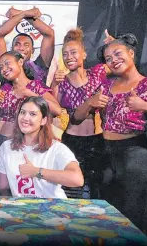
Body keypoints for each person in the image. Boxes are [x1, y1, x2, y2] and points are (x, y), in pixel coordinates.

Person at [73, 33, 147, 230]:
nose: (113, 61)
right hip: (105, 155)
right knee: (101, 217)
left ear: (131, 53)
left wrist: (145, 105)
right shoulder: (106, 86)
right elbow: (77, 117)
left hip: (135, 156)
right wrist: (89, 103)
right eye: (108, 59)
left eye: (118, 54)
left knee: (130, 220)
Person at [51, 28, 110, 199]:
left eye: (73, 52)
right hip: (72, 141)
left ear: (84, 54)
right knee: (72, 191)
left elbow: (120, 64)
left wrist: (112, 46)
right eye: (65, 54)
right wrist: (54, 83)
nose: (69, 57)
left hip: (97, 140)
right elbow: (53, 109)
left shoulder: (98, 74)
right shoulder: (62, 82)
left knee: (97, 190)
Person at [0, 97, 83, 198]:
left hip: (52, 209)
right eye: (22, 112)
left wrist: (37, 172)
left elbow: (77, 179)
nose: (25, 118)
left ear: (43, 120)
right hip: (22, 209)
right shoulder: (6, 147)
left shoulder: (56, 148)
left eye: (32, 114)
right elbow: (3, 187)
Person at [0, 51, 61, 149]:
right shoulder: (4, 88)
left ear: (20, 62)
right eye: (1, 66)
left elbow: (57, 110)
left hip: (20, 142)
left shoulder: (35, 86)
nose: (4, 69)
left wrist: (30, 94)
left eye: (7, 63)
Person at [0, 7, 55, 83]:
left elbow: (49, 34)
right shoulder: (4, 67)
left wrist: (22, 14)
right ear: (11, 49)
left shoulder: (39, 67)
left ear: (33, 50)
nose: (21, 48)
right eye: (17, 44)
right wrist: (24, 14)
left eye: (26, 45)